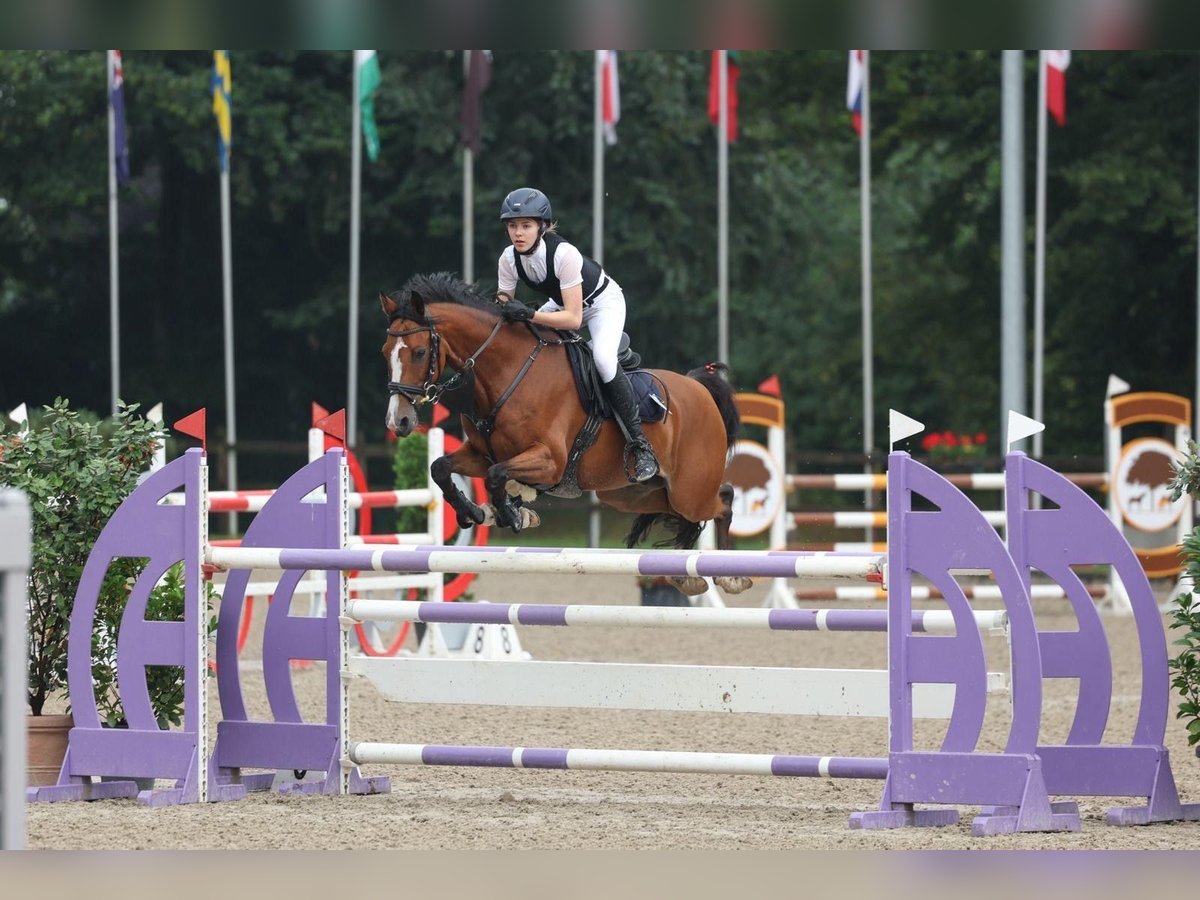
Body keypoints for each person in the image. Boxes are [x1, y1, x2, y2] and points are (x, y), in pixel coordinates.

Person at [494, 186, 659, 483]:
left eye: (526, 225)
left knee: (603, 360)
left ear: (542, 227)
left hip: (601, 304)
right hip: (561, 304)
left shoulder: (564, 254)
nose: (518, 233)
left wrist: (530, 314)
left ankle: (640, 445)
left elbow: (573, 319)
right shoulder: (508, 259)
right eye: (512, 226)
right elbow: (503, 308)